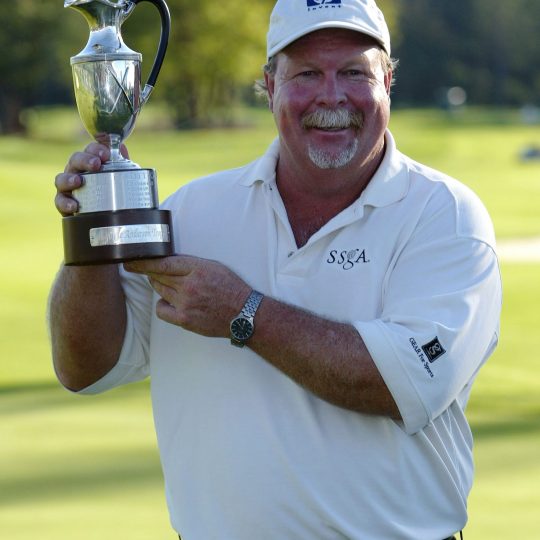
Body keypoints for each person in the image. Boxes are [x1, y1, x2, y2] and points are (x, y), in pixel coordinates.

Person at [49, 0, 501, 538]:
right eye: (307, 73)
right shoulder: (192, 211)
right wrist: (91, 228)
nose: (331, 96)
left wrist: (244, 312)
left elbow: (403, 384)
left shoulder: (445, 215)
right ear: (269, 85)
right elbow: (86, 368)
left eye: (354, 72)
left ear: (387, 80)